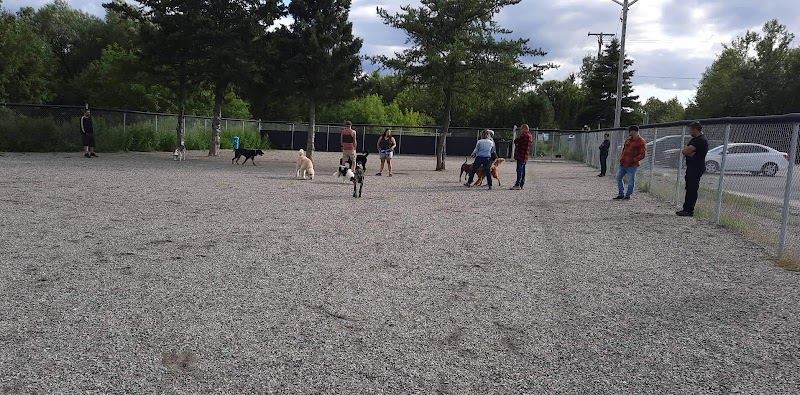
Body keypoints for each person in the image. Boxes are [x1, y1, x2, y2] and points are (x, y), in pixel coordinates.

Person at [677, 121, 709, 217]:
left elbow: (686, 151)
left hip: (697, 167)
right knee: (689, 187)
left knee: (692, 188)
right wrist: (688, 151)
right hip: (691, 167)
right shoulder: (694, 140)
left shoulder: (701, 140)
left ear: (695, 129)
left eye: (690, 129)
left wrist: (688, 151)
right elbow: (686, 151)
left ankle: (689, 210)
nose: (689, 131)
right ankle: (686, 208)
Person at [614, 125, 647, 200]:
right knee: (618, 177)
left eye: (630, 131)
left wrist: (634, 159)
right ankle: (621, 193)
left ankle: (628, 195)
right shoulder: (628, 140)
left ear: (635, 131)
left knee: (631, 180)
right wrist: (622, 158)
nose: (629, 132)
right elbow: (624, 149)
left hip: (632, 165)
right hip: (623, 163)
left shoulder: (641, 141)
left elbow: (643, 154)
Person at [511, 124, 533, 190]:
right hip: (525, 155)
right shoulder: (530, 135)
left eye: (521, 129)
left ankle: (518, 184)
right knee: (523, 170)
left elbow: (516, 141)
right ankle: (521, 184)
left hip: (521, 155)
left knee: (519, 170)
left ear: (524, 129)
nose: (520, 131)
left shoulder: (524, 135)